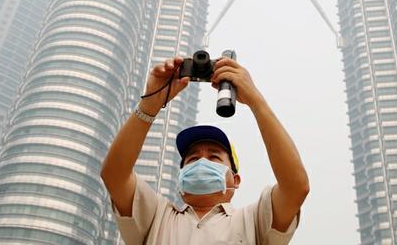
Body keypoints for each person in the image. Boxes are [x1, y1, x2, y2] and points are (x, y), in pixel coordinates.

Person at [101, 55, 310, 244]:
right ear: (180, 176)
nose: (202, 162)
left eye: (214, 157)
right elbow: (114, 175)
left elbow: (296, 187)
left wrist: (255, 100)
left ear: (235, 180)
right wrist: (150, 104)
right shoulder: (156, 216)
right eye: (192, 159)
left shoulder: (253, 221)